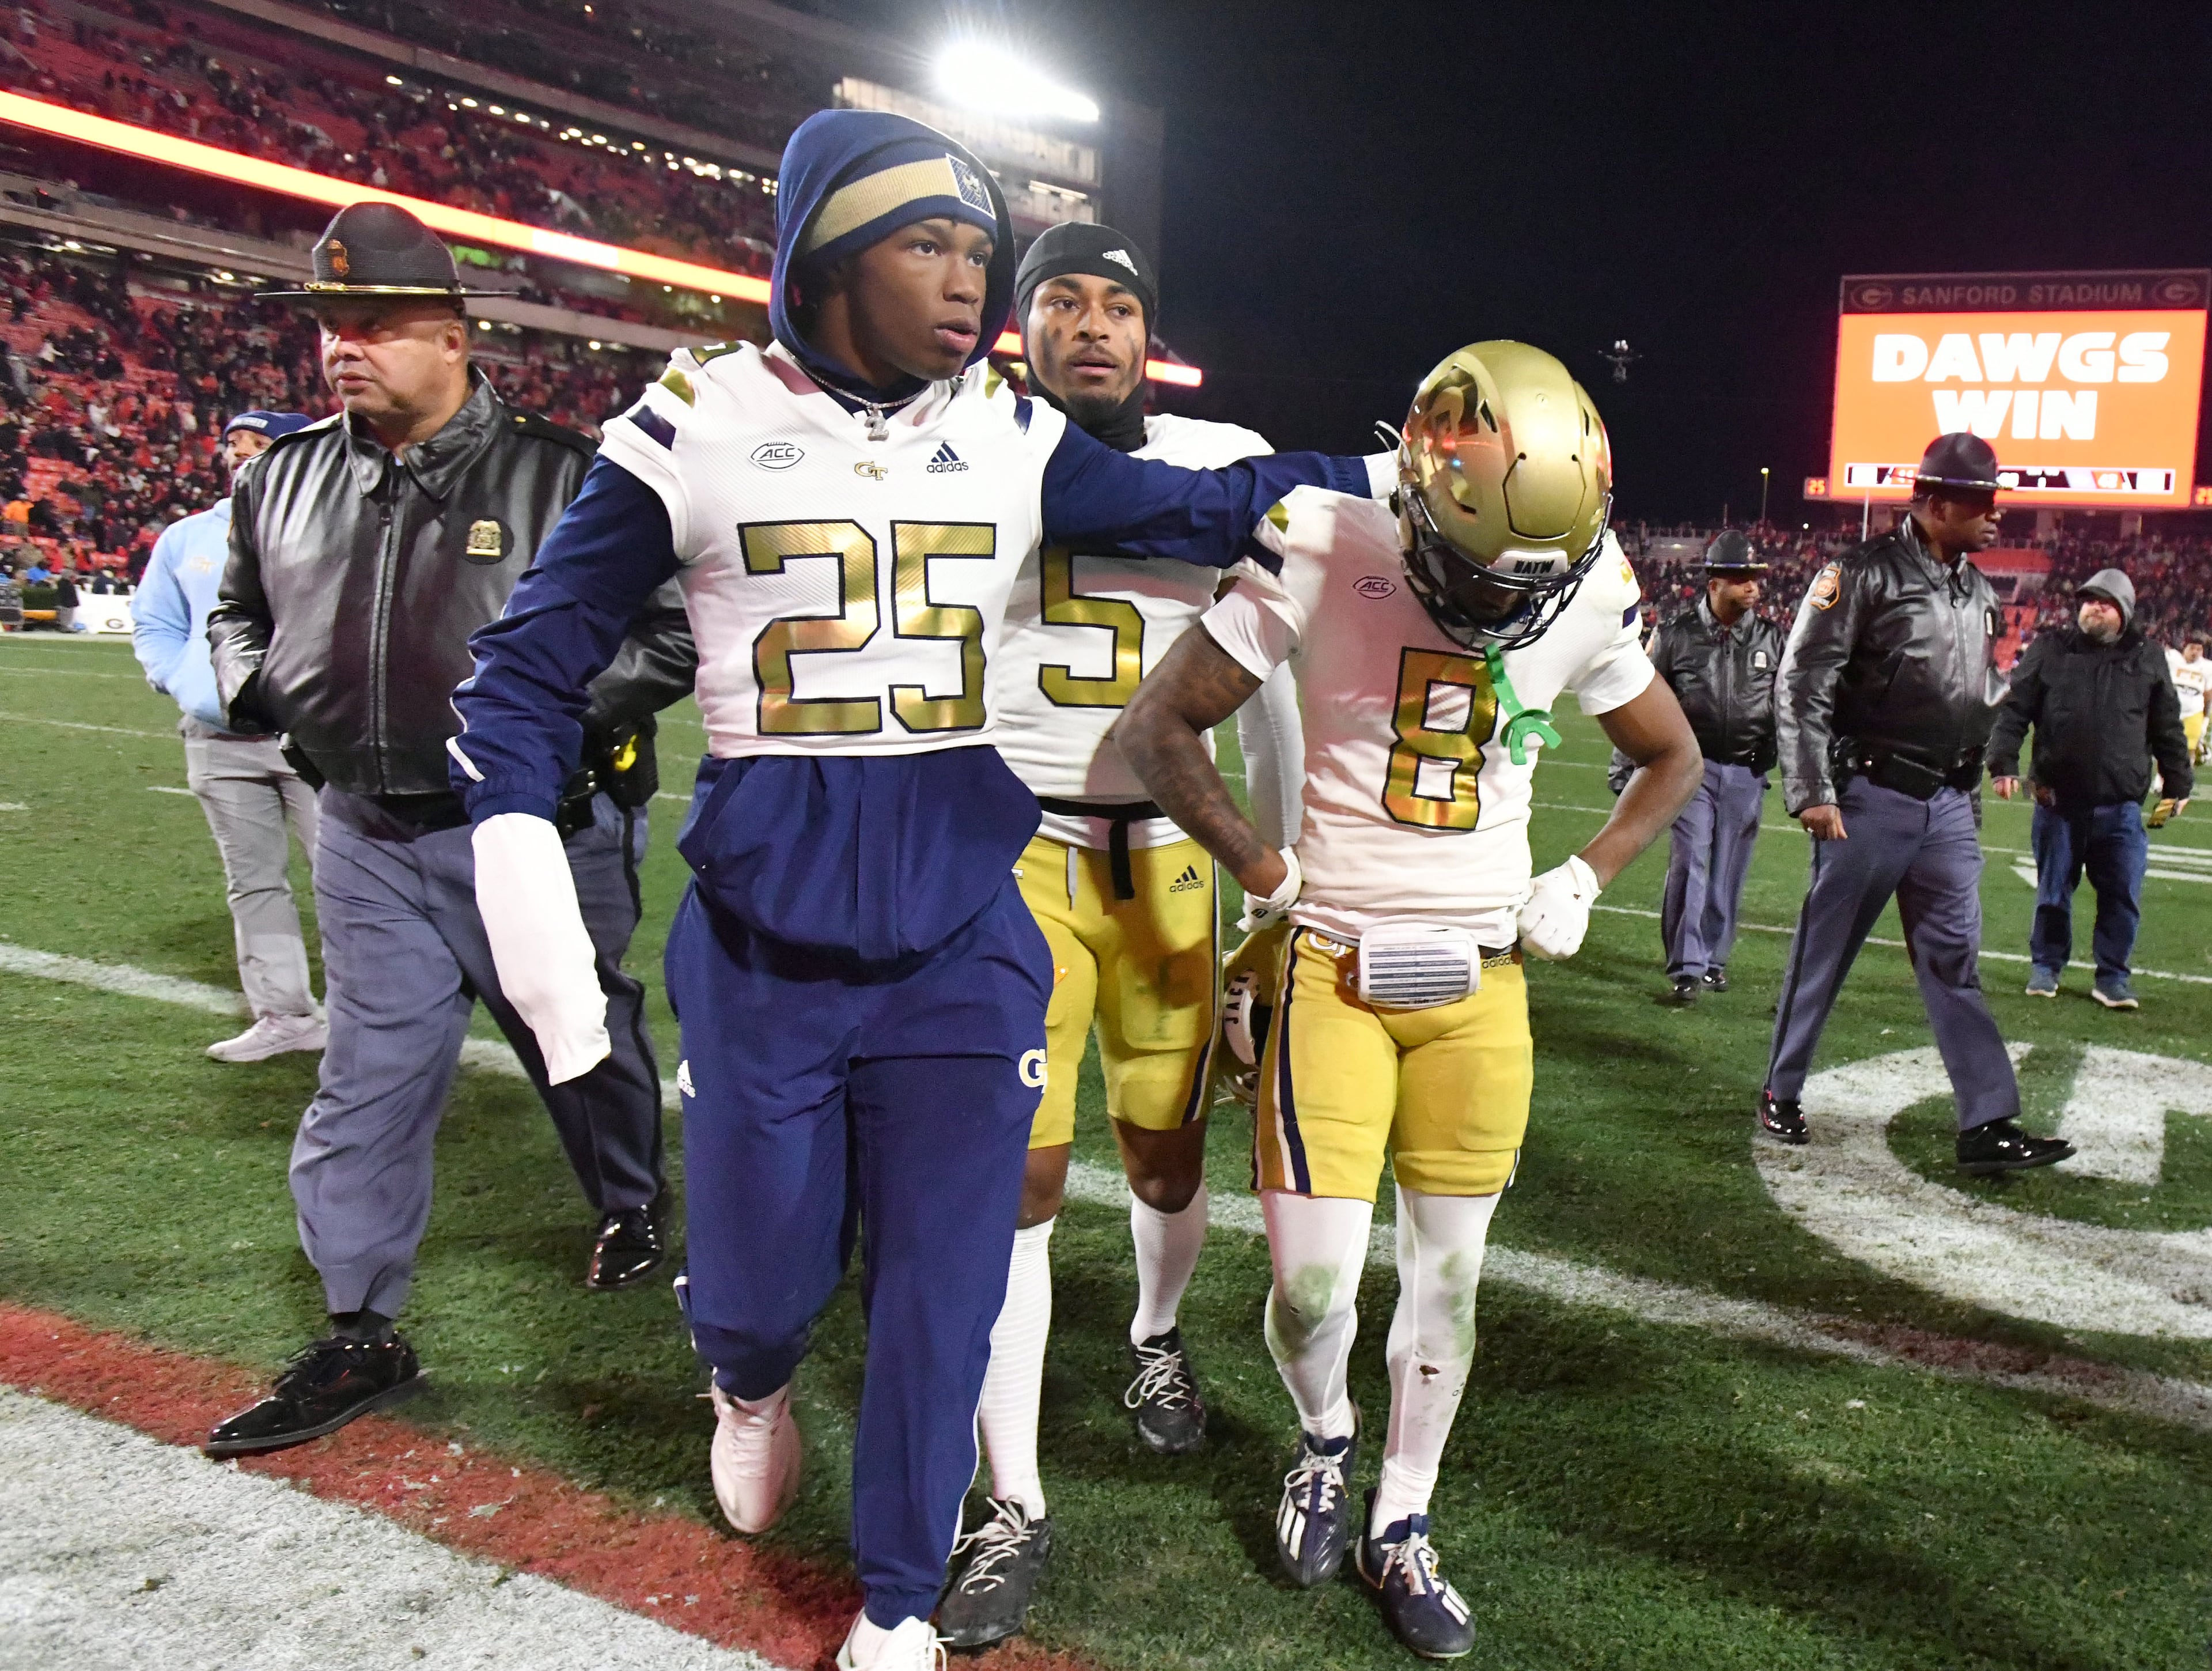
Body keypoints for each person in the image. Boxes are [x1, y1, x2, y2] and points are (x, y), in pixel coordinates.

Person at [445, 108, 1378, 1671]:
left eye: (974, 251)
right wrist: (532, 904)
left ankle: (895, 1600)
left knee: (945, 1289)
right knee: (757, 1288)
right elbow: (520, 674)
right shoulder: (692, 422)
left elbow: (1206, 509)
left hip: (963, 916)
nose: (967, 282)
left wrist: (1404, 470)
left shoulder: (1008, 432)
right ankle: (743, 1382)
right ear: (822, 254)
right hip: (764, 929)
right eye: (925, 244)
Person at [1117, 342, 1702, 1659]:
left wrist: (1585, 875)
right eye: (1483, 570)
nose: (1504, 604)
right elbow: (1159, 727)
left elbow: (1669, 756)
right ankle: (1322, 1438)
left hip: (1481, 982)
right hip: (1330, 965)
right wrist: (1265, 869)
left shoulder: (1585, 582)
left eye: (1526, 582)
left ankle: (1401, 1515)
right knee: (1314, 1293)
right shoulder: (1322, 538)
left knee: (1449, 1282)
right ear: (1423, 497)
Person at [201, 202, 693, 1460]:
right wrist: (274, 696)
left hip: (533, 827)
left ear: (455, 335)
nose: (340, 349)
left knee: (577, 1038)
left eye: (371, 326)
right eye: (329, 326)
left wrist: (530, 726)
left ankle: (630, 1196)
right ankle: (362, 1321)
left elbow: (666, 638)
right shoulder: (285, 473)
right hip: (363, 827)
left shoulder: (566, 474)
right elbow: (237, 616)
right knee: (368, 1075)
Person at [931, 223, 1296, 1647]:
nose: (1093, 325)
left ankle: (1151, 1340)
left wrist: (1269, 871)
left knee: (1162, 1149)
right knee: (1011, 1178)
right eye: (1062, 301)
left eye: (1119, 305)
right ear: (1018, 327)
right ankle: (1008, 1494)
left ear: (1150, 334)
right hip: (1012, 847)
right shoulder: (966, 444)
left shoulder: (1222, 457)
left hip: (1169, 859)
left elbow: (1266, 677)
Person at [1760, 433, 2071, 1174]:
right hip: (1869, 794)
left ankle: (1988, 1122)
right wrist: (1809, 788)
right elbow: (1803, 681)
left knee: (1955, 960)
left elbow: (1975, 694)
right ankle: (1782, 1087)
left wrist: (1975, 782)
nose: (1997, 517)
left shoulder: (1977, 588)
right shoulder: (1860, 573)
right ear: (1936, 505)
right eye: (1982, 503)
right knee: (1824, 953)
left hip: (1946, 803)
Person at [133, 409, 325, 1062]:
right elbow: (155, 621)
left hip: (318, 737)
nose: (242, 454)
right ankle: (285, 1014)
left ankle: (377, 1018)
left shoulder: (335, 523)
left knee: (353, 882)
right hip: (216, 736)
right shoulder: (187, 537)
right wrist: (180, 680)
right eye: (234, 444)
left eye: (260, 444)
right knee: (252, 881)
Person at [1988, 569, 2191, 1008]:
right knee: (2052, 894)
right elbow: (2015, 710)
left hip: (2119, 807)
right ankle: (2046, 965)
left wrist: (2178, 781)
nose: (2094, 606)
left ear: (2125, 611)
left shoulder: (2148, 656)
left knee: (2122, 896)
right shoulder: (2051, 649)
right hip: (2057, 801)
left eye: (2106, 601)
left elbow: (2166, 725)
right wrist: (2003, 762)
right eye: (2088, 599)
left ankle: (2113, 976)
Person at [1620, 531, 1782, 1002]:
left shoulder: (1773, 639)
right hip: (1689, 766)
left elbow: (1788, 707)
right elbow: (1639, 700)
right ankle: (1687, 966)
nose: (1753, 586)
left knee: (1729, 869)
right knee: (1690, 859)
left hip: (1747, 770)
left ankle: (1714, 960)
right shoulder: (1675, 635)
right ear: (1714, 583)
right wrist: (1624, 763)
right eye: (1741, 577)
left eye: (1755, 577)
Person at [2168, 639, 2210, 762]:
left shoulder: (2207, 667)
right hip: (2171, 712)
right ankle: (2162, 779)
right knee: (2167, 748)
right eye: (2192, 648)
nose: (2195, 652)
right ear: (2184, 648)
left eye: (2199, 650)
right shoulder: (2172, 659)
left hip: (2194, 712)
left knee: (2189, 750)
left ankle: (2185, 779)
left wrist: (2205, 718)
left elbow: (2208, 694)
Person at [51, 562, 79, 632]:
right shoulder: (65, 584)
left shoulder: (68, 584)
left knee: (68, 616)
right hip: (65, 603)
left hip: (68, 603)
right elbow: (66, 594)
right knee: (65, 615)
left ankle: (67, 627)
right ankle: (65, 627)